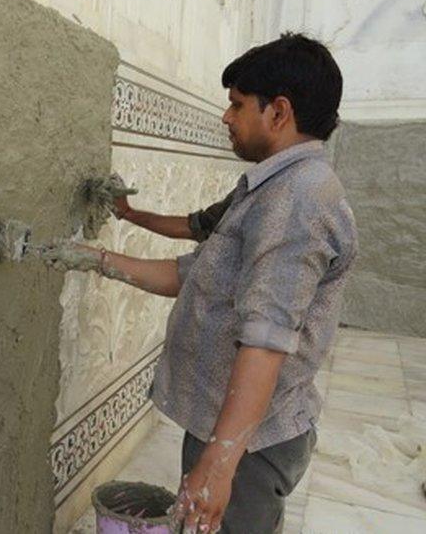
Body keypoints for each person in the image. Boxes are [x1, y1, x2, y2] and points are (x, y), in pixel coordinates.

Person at [43, 33, 356, 534]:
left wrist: (221, 462)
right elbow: (193, 276)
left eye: (236, 105)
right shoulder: (272, 186)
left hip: (252, 445)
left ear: (278, 113)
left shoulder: (297, 200)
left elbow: (266, 341)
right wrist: (94, 258)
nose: (226, 118)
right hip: (234, 432)